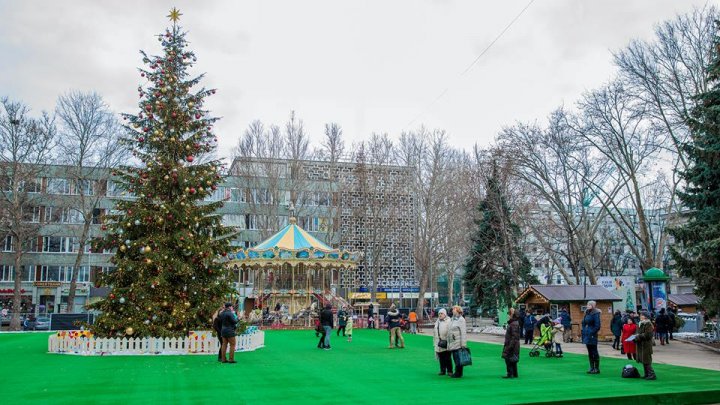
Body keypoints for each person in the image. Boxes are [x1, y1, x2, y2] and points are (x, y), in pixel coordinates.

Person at [635, 310, 657, 380]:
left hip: (646, 345)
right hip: (641, 345)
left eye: (642, 315)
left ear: (645, 317)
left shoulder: (648, 324)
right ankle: (647, 374)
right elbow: (638, 333)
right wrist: (635, 337)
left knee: (647, 360)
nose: (640, 316)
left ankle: (652, 374)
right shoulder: (640, 323)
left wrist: (638, 336)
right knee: (643, 360)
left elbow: (648, 335)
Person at [447, 305, 468, 378]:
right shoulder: (453, 319)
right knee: (455, 357)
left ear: (458, 311)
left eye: (454, 309)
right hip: (453, 342)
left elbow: (463, 332)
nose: (452, 310)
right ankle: (458, 372)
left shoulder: (461, 320)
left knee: (458, 358)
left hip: (458, 342)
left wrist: (463, 344)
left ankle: (458, 372)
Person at [582, 300, 601, 374]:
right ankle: (591, 367)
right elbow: (583, 323)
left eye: (589, 305)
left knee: (594, 351)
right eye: (587, 304)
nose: (588, 306)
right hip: (587, 334)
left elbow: (597, 325)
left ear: (593, 306)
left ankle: (596, 368)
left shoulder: (595, 313)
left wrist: (592, 332)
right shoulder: (587, 313)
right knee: (589, 351)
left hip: (592, 335)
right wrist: (584, 330)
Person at [501, 308, 521, 378]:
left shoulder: (513, 324)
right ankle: (514, 373)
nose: (508, 316)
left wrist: (510, 346)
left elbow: (514, 337)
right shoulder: (514, 323)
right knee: (513, 359)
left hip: (512, 344)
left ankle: (510, 373)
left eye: (509, 315)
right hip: (513, 344)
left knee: (508, 358)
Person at [433, 308, 452, 376]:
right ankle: (442, 370)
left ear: (445, 314)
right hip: (439, 342)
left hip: (446, 342)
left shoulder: (449, 321)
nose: (440, 315)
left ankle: (449, 371)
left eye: (441, 313)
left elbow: (450, 332)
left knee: (447, 357)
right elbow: (434, 333)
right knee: (441, 357)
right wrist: (434, 342)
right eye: (439, 314)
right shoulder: (437, 321)